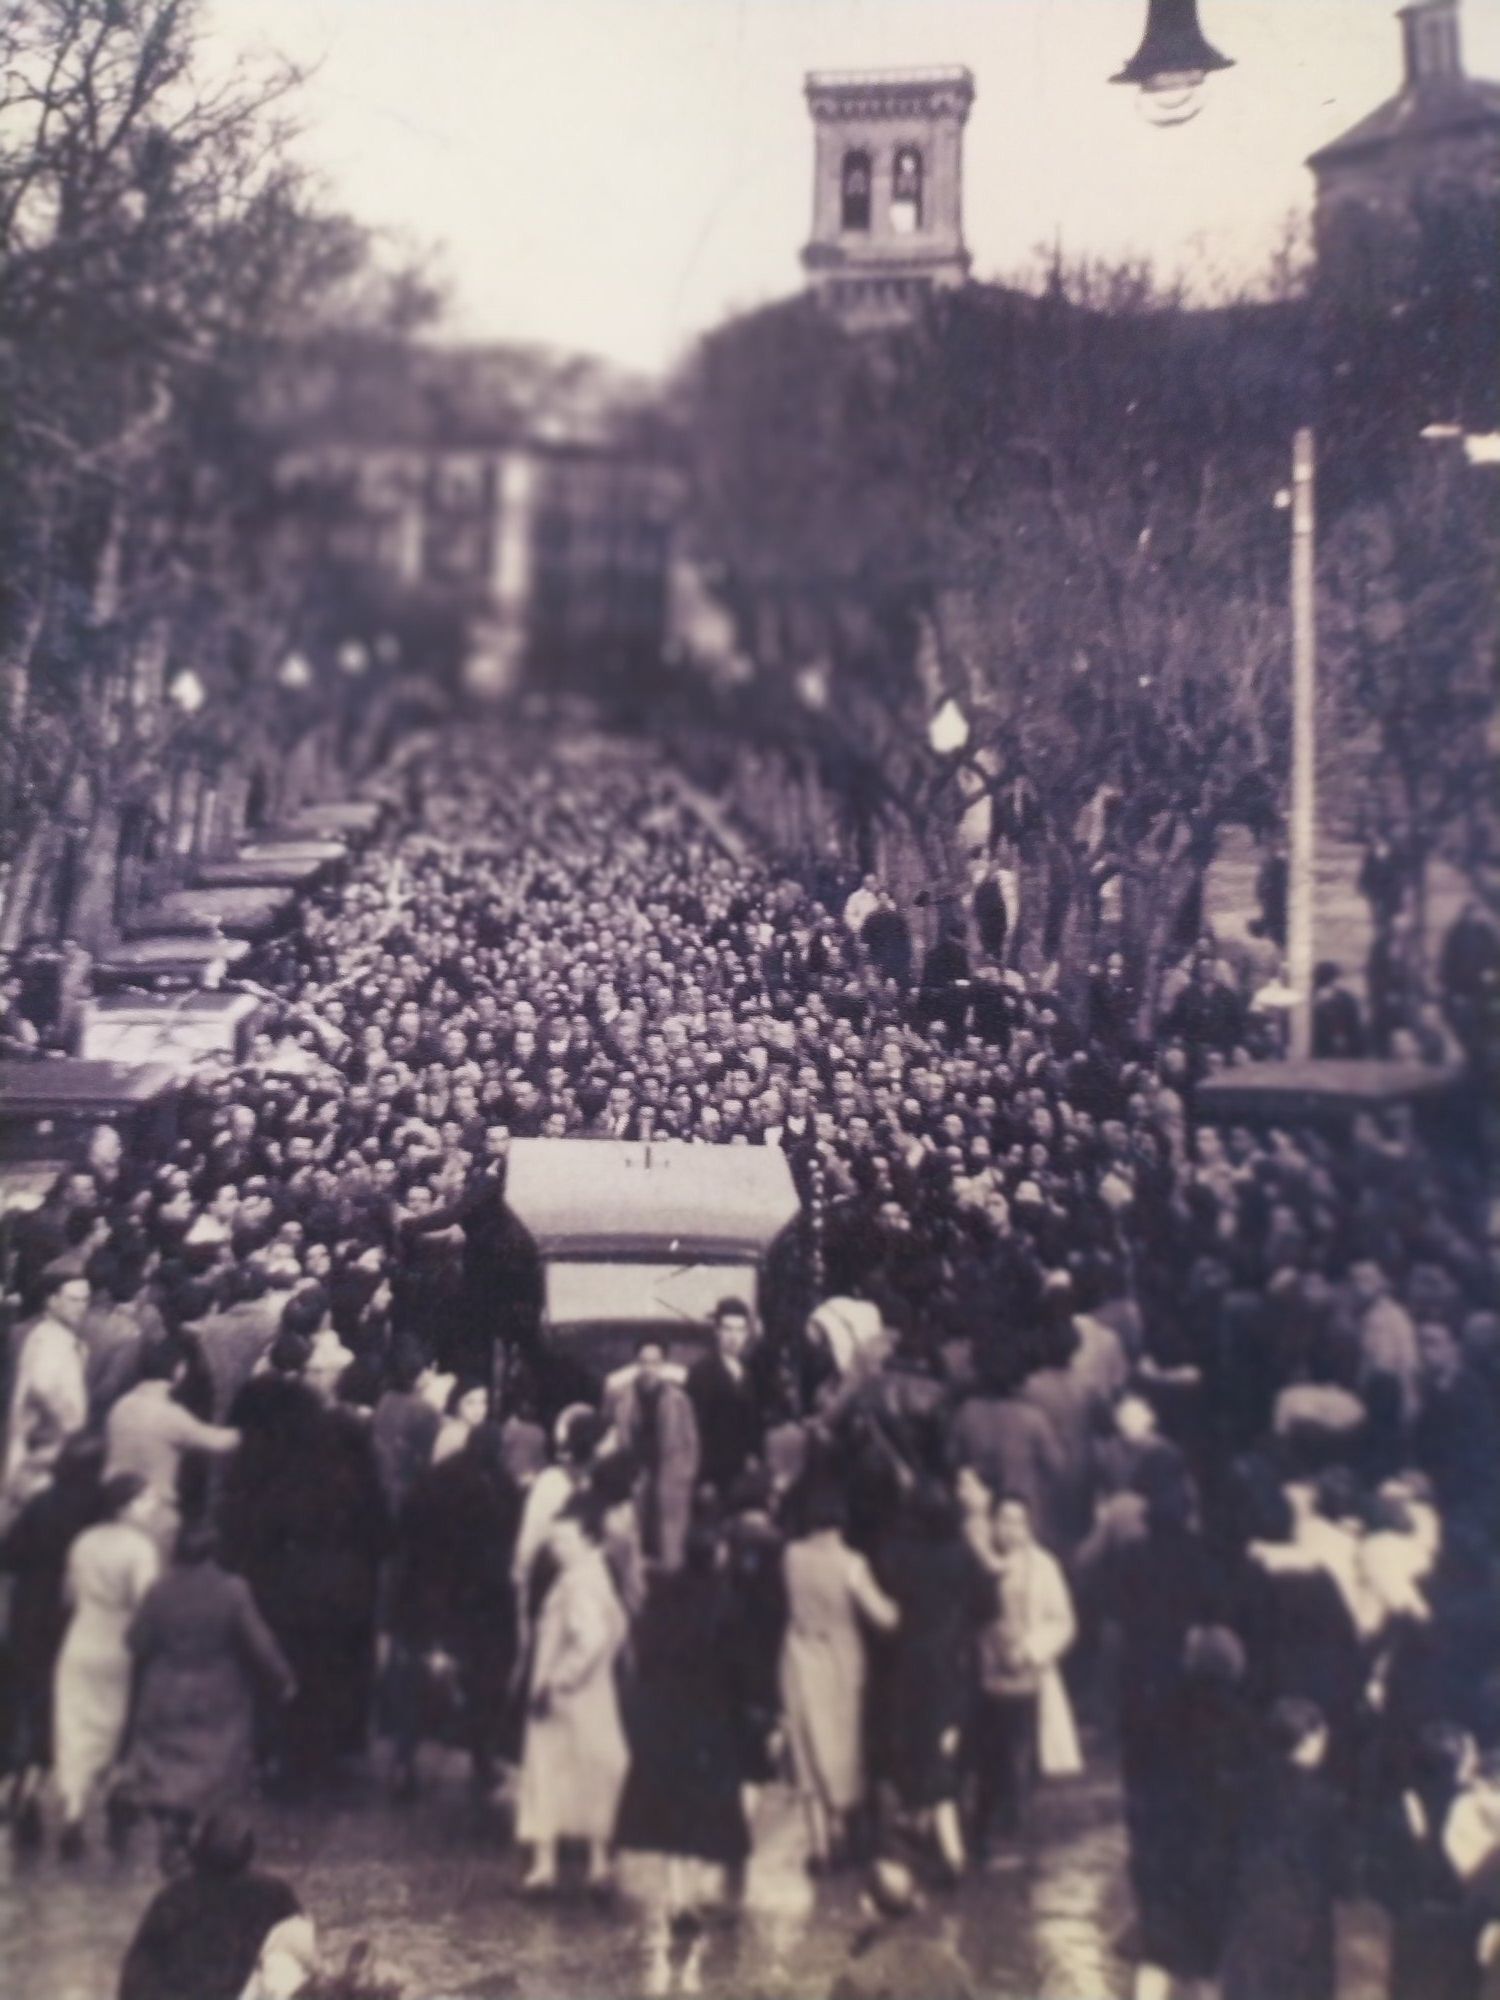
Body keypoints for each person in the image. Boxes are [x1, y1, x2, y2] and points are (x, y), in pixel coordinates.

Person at [120, 1522, 295, 1868]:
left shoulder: (159, 1590)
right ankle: (198, 1828)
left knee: (166, 1762)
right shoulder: (232, 1590)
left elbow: (134, 1641)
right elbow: (259, 1642)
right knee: (213, 1764)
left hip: (165, 1688)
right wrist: (282, 1678)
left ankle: (172, 1822)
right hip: (219, 1692)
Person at [615, 1526, 750, 1924]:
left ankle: (678, 1898)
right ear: (718, 1556)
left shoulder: (662, 1598)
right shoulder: (725, 1601)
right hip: (710, 1718)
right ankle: (701, 1891)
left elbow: (643, 1654)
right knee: (707, 1809)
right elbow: (738, 1668)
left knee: (672, 1814)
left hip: (666, 1716)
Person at [779, 1481, 899, 1872]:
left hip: (798, 1657)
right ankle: (841, 1828)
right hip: (841, 1661)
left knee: (807, 1748)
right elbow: (883, 1616)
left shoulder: (790, 1556)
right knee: (843, 1748)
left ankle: (820, 1845)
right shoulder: (852, 1564)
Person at [875, 1480, 991, 1877]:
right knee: (947, 1746)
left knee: (921, 1748)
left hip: (911, 1664)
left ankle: (934, 1834)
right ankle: (951, 1845)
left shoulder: (900, 1555)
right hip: (954, 1663)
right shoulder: (961, 1556)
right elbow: (987, 1605)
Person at [516, 1503, 630, 1896]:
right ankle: (598, 1863)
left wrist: (556, 1681)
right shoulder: (598, 1577)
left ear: (586, 1538)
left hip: (562, 1698)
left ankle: (544, 1866)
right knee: (593, 1775)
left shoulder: (576, 1582)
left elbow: (592, 1637)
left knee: (548, 1776)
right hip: (595, 1695)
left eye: (563, 1540)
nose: (556, 1549)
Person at [52, 1473, 160, 1857]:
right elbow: (145, 1603)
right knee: (113, 1727)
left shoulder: (83, 1541)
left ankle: (74, 1807)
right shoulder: (139, 1548)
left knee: (74, 1725)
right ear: (126, 1506)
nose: (153, 1507)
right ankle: (114, 1792)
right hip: (119, 1643)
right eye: (147, 1500)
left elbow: (67, 1595)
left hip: (80, 1638)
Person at [971, 1493, 1079, 1858]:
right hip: (984, 1677)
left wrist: (1031, 1650)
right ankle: (985, 1834)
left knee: (1021, 1758)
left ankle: (1014, 1833)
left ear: (1029, 1525)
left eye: (1018, 1521)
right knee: (985, 1758)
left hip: (1026, 1677)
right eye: (1003, 1520)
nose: (1010, 1529)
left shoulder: (1044, 1566)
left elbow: (1062, 1621)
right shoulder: (982, 1563)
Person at [1219, 1697, 1346, 2000]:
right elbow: (1340, 1873)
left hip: (1249, 1913)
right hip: (1303, 1921)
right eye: (1321, 1736)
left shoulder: (1243, 1787)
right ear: (1307, 1740)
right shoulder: (1325, 1800)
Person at [118, 1810, 315, 2000]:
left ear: (200, 1850)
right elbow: (303, 1952)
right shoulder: (273, 1892)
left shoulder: (173, 1896)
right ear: (249, 1851)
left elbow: (137, 1971)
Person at [103, 1337, 240, 1554]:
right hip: (154, 1513)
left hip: (114, 1509)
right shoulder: (170, 1416)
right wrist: (251, 1429)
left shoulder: (121, 1406)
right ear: (179, 1371)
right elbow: (218, 1442)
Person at [3, 1269, 92, 1510]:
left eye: (86, 1300)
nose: (81, 1306)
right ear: (51, 1300)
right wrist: (66, 1426)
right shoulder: (49, 1341)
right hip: (41, 1454)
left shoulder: (62, 1338)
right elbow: (42, 1387)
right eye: (73, 1299)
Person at [611, 1337, 700, 1572]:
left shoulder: (679, 1400)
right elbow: (618, 1439)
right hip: (637, 1476)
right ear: (636, 1364)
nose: (649, 1368)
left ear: (663, 1365)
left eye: (655, 1362)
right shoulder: (623, 1401)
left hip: (669, 1478)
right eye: (644, 1362)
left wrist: (685, 1474)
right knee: (635, 1543)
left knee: (670, 1547)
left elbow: (691, 1442)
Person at [686, 1298, 763, 1502]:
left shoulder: (749, 1373)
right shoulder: (701, 1373)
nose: (733, 1337)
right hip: (710, 1479)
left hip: (741, 1478)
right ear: (717, 1331)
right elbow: (694, 1430)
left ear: (747, 1333)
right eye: (727, 1329)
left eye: (739, 1330)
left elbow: (752, 1423)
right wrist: (702, 1479)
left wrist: (753, 1457)